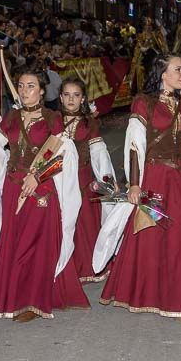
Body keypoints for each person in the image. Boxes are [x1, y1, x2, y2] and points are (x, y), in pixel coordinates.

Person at [95, 55, 181, 319]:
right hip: (155, 178)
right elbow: (134, 144)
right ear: (162, 74)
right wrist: (133, 184)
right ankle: (143, 294)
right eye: (177, 69)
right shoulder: (144, 103)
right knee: (151, 234)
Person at [0, 66, 88, 321]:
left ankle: (33, 302)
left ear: (41, 91)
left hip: (42, 187)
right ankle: (13, 298)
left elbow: (63, 158)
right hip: (14, 187)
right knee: (14, 243)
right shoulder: (11, 117)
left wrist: (37, 177)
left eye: (30, 86)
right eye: (20, 86)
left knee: (34, 245)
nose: (24, 91)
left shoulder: (52, 119)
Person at [59, 77, 116, 283]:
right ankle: (65, 266)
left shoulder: (89, 123)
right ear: (60, 97)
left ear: (83, 98)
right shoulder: (52, 120)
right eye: (67, 95)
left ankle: (87, 267)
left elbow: (99, 153)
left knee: (85, 222)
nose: (71, 99)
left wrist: (106, 181)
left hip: (83, 178)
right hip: (59, 178)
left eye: (76, 95)